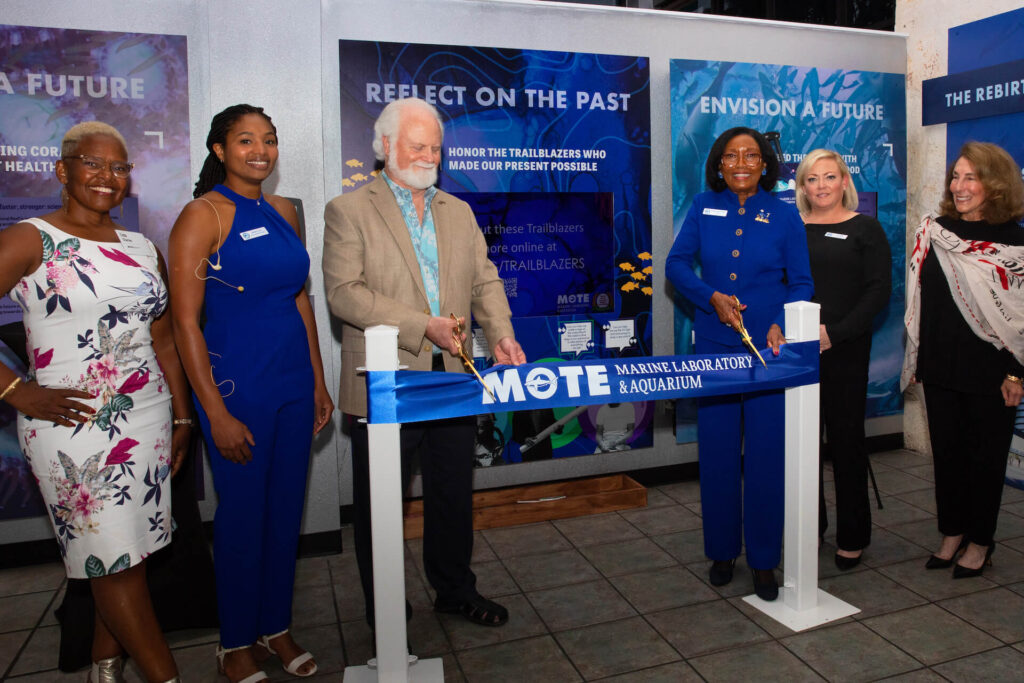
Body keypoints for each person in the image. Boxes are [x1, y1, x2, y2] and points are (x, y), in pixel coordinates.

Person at [322, 97, 525, 630]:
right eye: (417, 145)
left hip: (453, 378)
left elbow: (484, 281)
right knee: (380, 503)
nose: (429, 155)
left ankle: (456, 590)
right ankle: (385, 608)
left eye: (435, 146)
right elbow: (344, 294)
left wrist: (501, 335)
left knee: (453, 492)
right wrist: (423, 325)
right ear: (385, 146)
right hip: (386, 381)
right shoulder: (349, 211)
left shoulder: (456, 211)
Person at [0, 121, 187, 682]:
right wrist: (16, 390)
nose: (107, 177)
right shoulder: (29, 239)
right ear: (63, 170)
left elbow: (163, 339)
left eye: (120, 167)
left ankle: (105, 669)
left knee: (132, 553)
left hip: (148, 420)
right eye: (93, 163)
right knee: (113, 564)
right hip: (72, 429)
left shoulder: (140, 246)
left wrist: (181, 415)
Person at [169, 105, 333, 682]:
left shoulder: (286, 210)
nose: (259, 150)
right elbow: (184, 323)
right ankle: (234, 642)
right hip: (237, 388)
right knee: (241, 518)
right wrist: (212, 412)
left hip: (291, 382)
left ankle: (276, 627)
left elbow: (300, 298)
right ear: (220, 150)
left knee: (285, 513)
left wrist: (317, 379)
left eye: (268, 140)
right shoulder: (203, 214)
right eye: (245, 141)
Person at [666, 126, 813, 601]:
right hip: (713, 347)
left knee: (768, 455)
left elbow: (802, 283)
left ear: (766, 164)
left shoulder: (785, 214)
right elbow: (676, 266)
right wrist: (710, 297)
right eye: (732, 155)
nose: (742, 162)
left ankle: (765, 559)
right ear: (720, 163)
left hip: (768, 354)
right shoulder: (701, 207)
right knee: (718, 453)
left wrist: (783, 325)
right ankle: (722, 551)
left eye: (752, 155)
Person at [902, 141, 1024, 579]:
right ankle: (951, 532)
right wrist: (918, 360)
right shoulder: (934, 232)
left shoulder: (1015, 242)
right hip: (939, 366)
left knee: (985, 461)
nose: (959, 185)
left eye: (970, 177)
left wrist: (1016, 373)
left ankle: (980, 542)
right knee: (948, 457)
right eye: (956, 176)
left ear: (995, 184)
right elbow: (922, 302)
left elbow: (1022, 318)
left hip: (992, 373)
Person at [795, 149, 891, 571]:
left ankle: (852, 535)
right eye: (811, 179)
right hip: (795, 352)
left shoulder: (866, 229)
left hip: (845, 350)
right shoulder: (790, 228)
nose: (821, 186)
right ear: (802, 186)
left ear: (844, 181)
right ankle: (808, 527)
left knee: (847, 443)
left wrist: (834, 333)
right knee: (801, 445)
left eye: (829, 177)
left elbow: (877, 292)